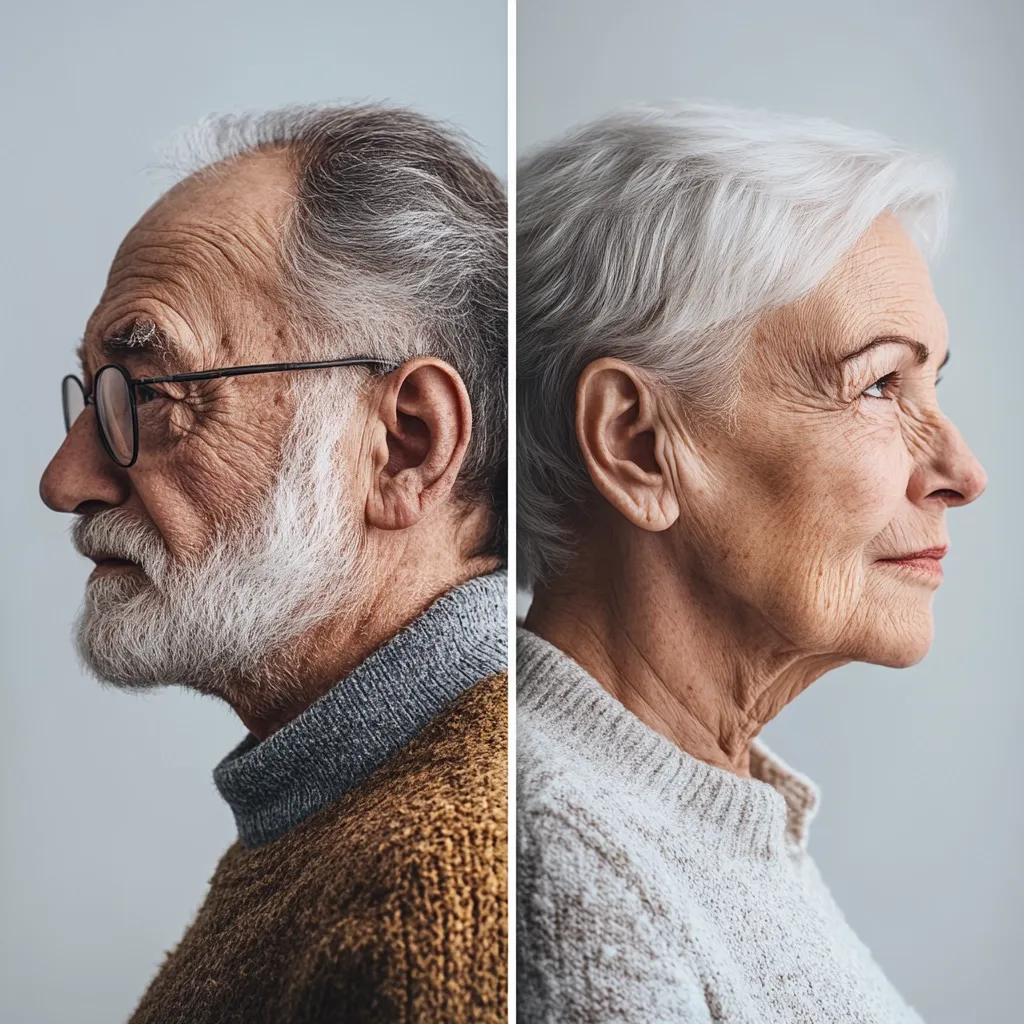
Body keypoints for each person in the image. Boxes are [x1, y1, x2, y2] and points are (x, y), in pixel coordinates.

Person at [516, 102, 986, 1022]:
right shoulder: (569, 862)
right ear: (636, 444)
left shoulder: (703, 816)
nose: (961, 474)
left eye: (934, 383)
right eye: (881, 384)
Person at [39, 103, 508, 1024]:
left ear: (407, 446)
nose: (68, 480)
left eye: (150, 395)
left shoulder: (451, 886)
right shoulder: (348, 805)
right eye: (93, 399)